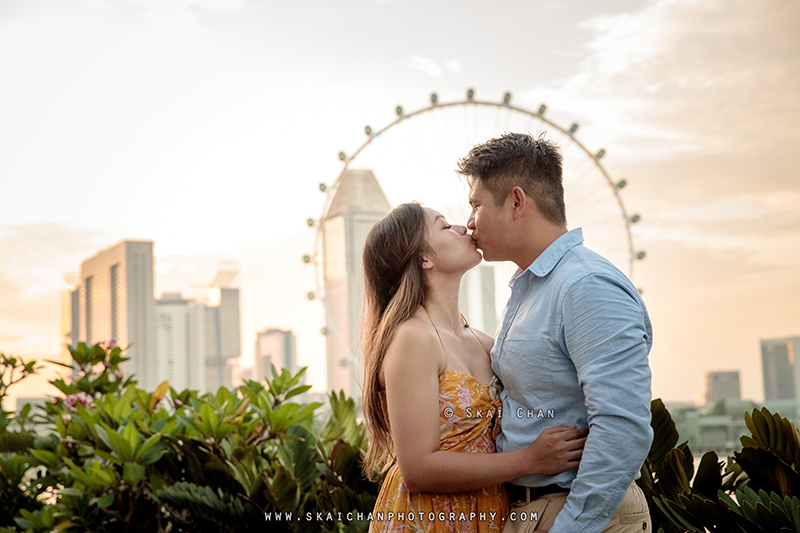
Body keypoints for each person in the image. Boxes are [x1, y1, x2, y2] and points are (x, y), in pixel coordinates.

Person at [457, 132, 654, 532]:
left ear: (516, 201)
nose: (469, 221)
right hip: (532, 512)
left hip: (579, 514)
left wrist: (572, 526)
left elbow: (623, 423)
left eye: (475, 204)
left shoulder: (586, 286)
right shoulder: (530, 287)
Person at [361, 202, 589, 533]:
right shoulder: (413, 338)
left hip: (491, 511)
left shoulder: (483, 343)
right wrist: (531, 460)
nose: (462, 228)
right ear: (425, 258)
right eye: (444, 226)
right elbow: (417, 469)